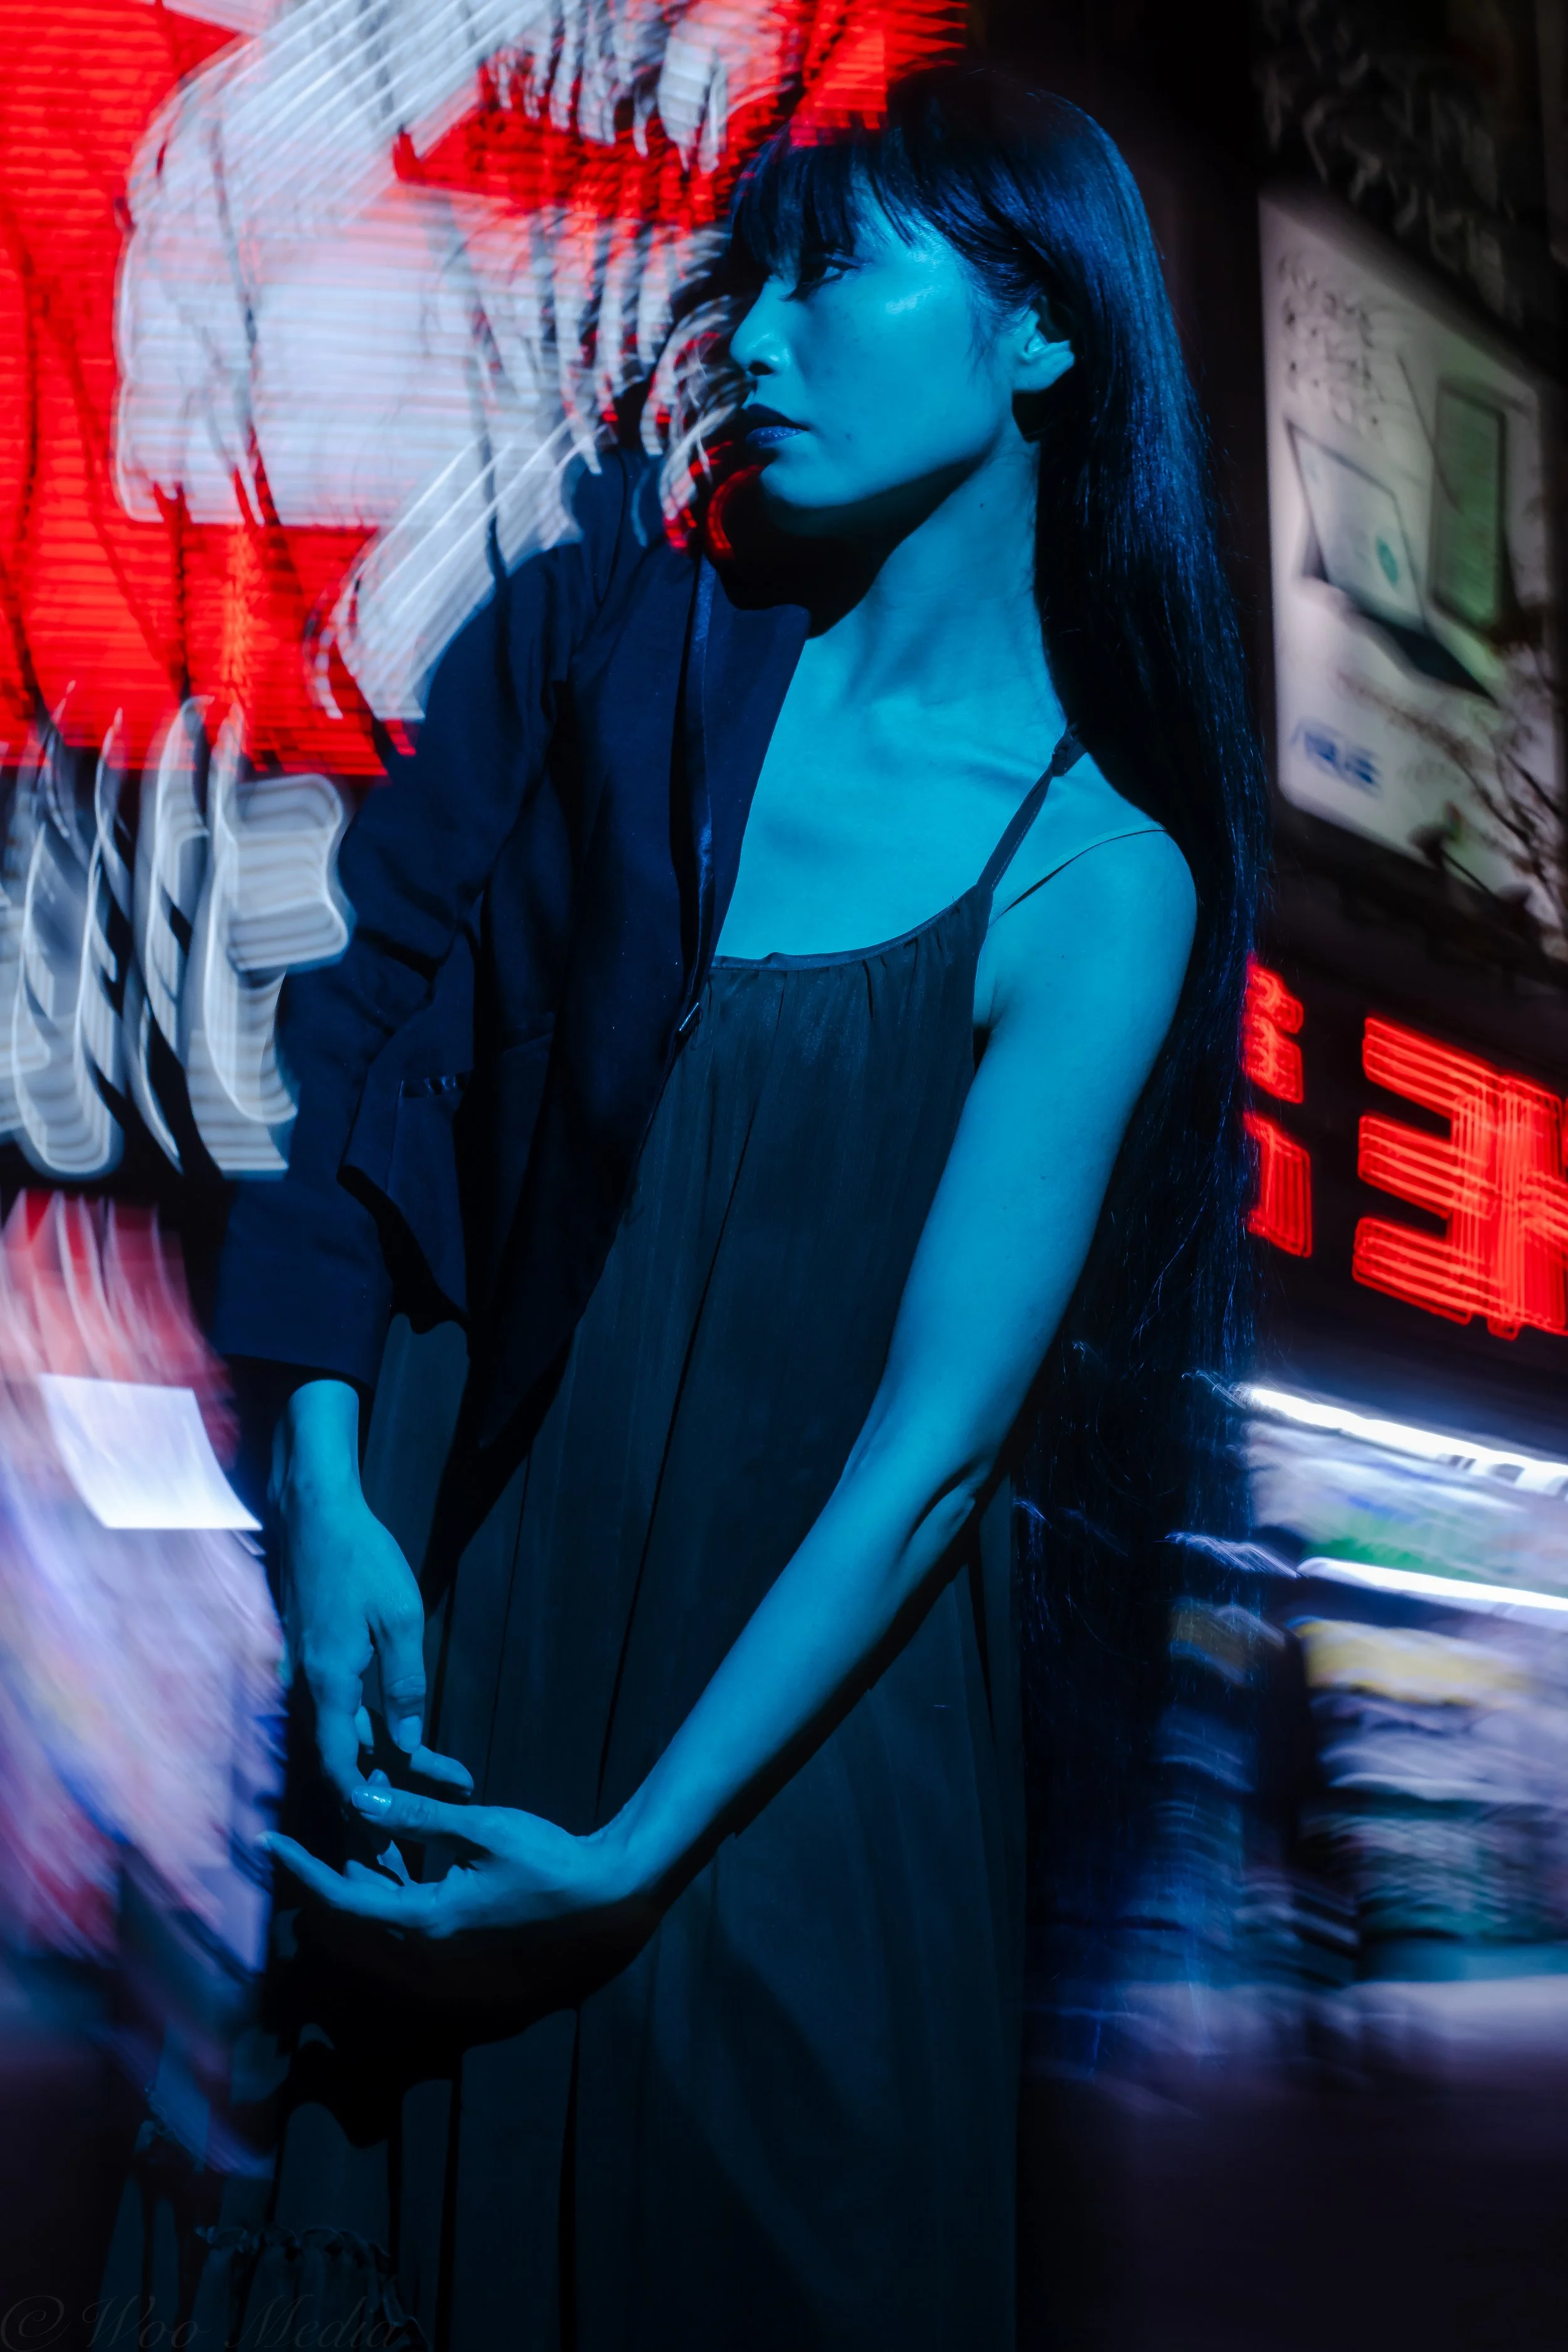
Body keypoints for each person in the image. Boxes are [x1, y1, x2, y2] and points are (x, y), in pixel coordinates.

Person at [156, 63, 1266, 2352]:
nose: (747, 337)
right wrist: (337, 1494)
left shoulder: (1096, 871)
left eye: (830, 275)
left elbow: (932, 1451)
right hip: (463, 1683)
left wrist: (634, 1848)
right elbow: (351, 1065)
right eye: (738, 283)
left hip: (774, 1788)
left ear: (1040, 333)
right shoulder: (597, 644)